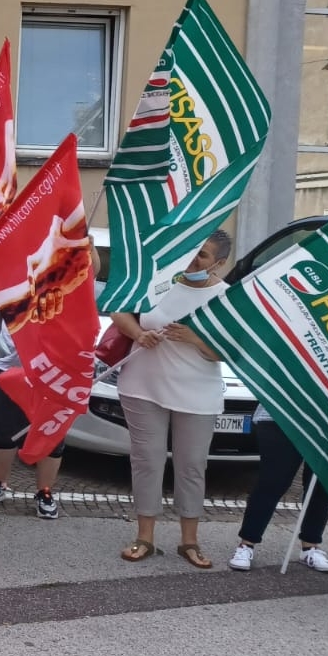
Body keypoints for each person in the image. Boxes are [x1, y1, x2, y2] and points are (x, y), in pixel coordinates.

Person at [112, 229, 233, 569]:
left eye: (203, 256)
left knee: (191, 465)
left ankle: (189, 541)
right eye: (192, 250)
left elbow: (228, 352)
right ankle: (144, 537)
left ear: (219, 264)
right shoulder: (158, 281)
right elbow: (118, 309)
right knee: (147, 461)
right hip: (142, 386)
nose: (193, 259)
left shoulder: (226, 298)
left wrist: (196, 339)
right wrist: (138, 333)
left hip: (197, 394)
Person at [228, 405, 328, 572]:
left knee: (320, 485)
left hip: (326, 419)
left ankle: (310, 547)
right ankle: (246, 545)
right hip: (279, 413)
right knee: (272, 481)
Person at [0, 321, 64, 520]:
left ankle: (45, 492)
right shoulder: (15, 288)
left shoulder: (66, 289)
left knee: (52, 430)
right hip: (12, 362)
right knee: (4, 428)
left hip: (54, 366)